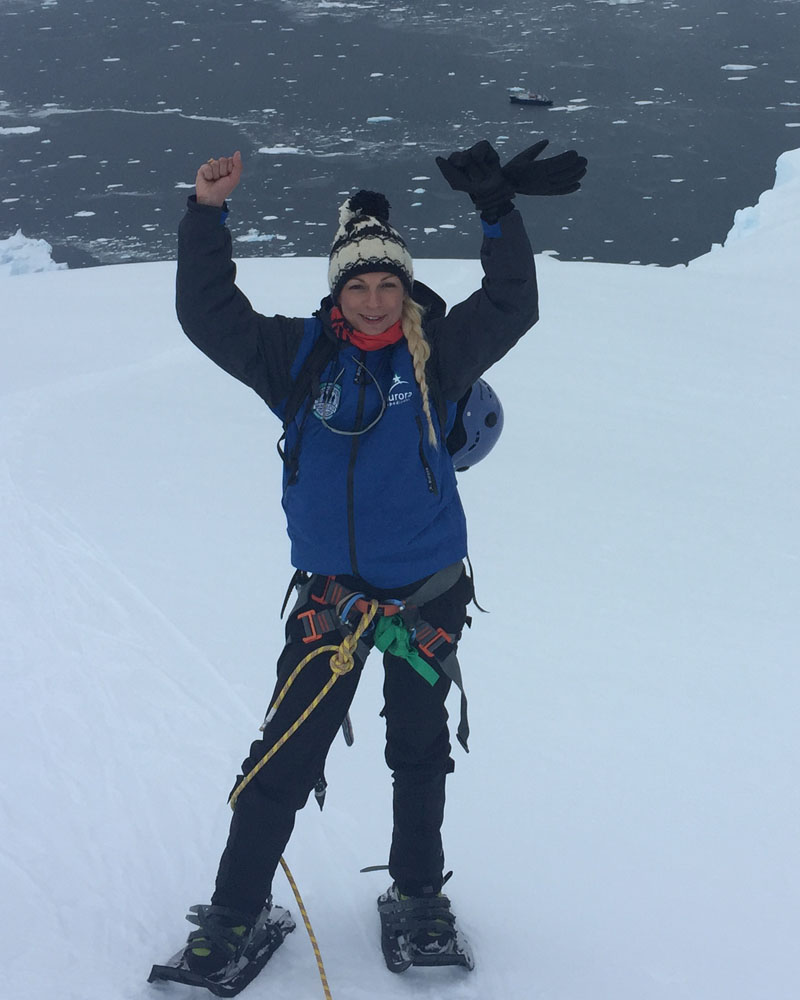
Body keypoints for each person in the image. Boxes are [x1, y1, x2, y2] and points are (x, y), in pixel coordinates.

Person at [168, 138, 586, 982]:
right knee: (283, 756)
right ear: (337, 290)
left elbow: (512, 302)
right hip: (332, 601)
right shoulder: (296, 357)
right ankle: (233, 914)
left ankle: (419, 896)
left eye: (386, 284)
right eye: (356, 286)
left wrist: (498, 211)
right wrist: (206, 214)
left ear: (404, 287)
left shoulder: (437, 359)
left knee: (419, 752)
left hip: (426, 598)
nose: (371, 301)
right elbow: (209, 314)